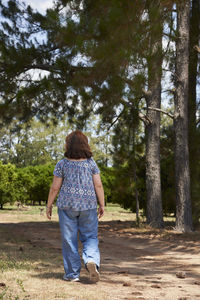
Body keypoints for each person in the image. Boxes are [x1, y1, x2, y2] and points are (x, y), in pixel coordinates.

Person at [46, 130, 105, 283]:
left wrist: (49, 205)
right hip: (88, 205)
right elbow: (98, 185)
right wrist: (102, 204)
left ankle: (72, 274)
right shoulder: (91, 163)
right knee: (90, 237)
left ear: (68, 145)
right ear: (85, 145)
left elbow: (54, 188)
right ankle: (91, 260)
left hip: (67, 206)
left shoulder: (62, 163)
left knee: (69, 239)